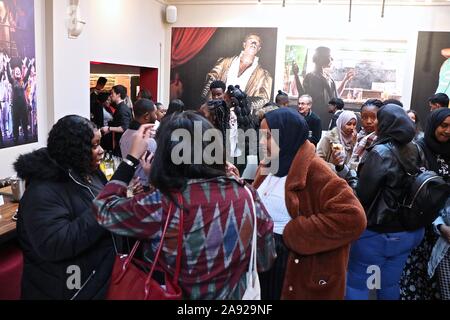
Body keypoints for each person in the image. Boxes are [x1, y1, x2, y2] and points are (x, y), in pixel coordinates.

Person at [93, 112, 276, 300]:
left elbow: (103, 208)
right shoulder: (247, 195)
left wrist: (131, 159)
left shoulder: (162, 203)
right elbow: (264, 259)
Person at [254, 108, 366, 300]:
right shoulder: (272, 163)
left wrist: (297, 232)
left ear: (287, 135)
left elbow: (354, 217)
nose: (261, 142)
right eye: (261, 136)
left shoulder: (314, 169)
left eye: (268, 136)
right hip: (265, 260)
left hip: (294, 264)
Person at [14, 115, 115, 300]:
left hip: (96, 279)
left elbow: (101, 202)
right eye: (94, 146)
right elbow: (58, 244)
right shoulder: (41, 192)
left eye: (99, 144)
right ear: (75, 150)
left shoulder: (88, 172)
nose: (101, 151)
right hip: (64, 290)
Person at [345, 104, 425, 300]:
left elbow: (363, 194)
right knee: (388, 284)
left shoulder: (380, 152)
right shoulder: (416, 148)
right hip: (407, 233)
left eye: (379, 120)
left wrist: (351, 176)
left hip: (377, 235)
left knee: (360, 285)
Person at [400, 108, 450, 300]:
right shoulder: (418, 150)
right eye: (443, 125)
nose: (447, 131)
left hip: (446, 231)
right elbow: (415, 191)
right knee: (417, 281)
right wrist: (438, 225)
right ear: (433, 125)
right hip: (423, 228)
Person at [201, 33, 273, 113]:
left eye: (257, 42)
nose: (254, 43)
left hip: (241, 117)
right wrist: (208, 104)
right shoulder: (224, 62)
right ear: (244, 44)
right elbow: (209, 83)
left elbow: (264, 99)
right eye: (251, 39)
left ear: (259, 48)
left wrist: (243, 103)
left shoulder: (263, 75)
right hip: (217, 112)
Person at [302, 46, 354, 130]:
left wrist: (345, 80)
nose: (332, 59)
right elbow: (318, 104)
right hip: (320, 121)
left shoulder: (327, 76)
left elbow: (335, 97)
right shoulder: (312, 77)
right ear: (321, 58)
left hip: (329, 119)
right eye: (329, 56)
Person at [120, 98, 158, 188]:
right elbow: (154, 170)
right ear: (147, 116)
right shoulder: (149, 142)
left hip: (130, 183)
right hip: (145, 186)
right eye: (155, 113)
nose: (156, 117)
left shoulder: (125, 135)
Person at [4, 54, 34, 143]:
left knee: (24, 122)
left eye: (19, 71)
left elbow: (28, 73)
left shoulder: (23, 81)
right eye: (16, 71)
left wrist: (30, 64)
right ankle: (15, 137)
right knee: (15, 122)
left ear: (20, 72)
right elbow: (8, 74)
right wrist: (7, 63)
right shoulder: (12, 81)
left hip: (23, 105)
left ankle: (26, 137)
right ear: (14, 72)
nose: (18, 71)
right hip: (15, 106)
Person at [348, 99, 383, 170]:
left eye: (373, 117)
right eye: (365, 117)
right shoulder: (359, 137)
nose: (368, 121)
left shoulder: (381, 141)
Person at [101, 85, 132, 157]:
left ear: (118, 95)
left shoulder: (122, 109)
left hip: (122, 143)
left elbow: (124, 128)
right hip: (119, 142)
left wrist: (109, 128)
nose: (110, 96)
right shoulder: (120, 107)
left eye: (112, 93)